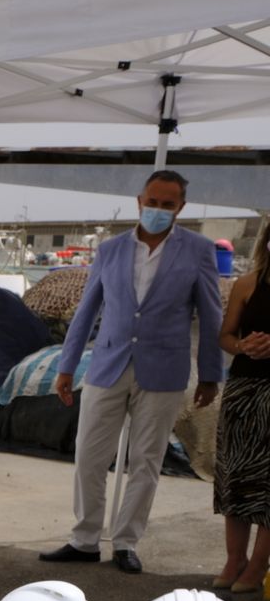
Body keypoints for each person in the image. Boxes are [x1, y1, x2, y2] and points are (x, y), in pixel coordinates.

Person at [42, 169, 224, 574]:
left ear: (180, 208)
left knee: (146, 460)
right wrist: (67, 366)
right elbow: (87, 310)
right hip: (107, 364)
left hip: (164, 371)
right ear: (139, 202)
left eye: (167, 205)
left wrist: (211, 375)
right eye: (152, 202)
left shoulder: (199, 250)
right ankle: (85, 539)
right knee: (89, 456)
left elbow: (212, 317)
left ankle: (126, 542)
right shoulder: (110, 250)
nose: (158, 210)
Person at [211, 221, 270, 593]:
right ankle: (236, 558)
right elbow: (225, 336)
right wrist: (243, 347)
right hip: (244, 391)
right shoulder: (248, 283)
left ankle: (259, 564)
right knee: (234, 476)